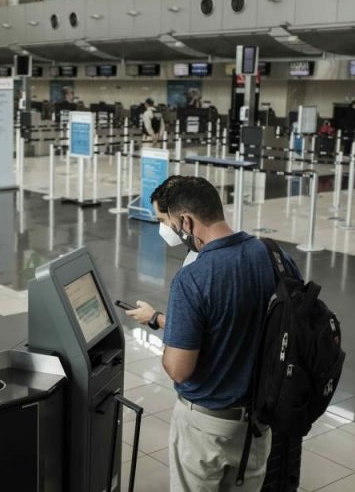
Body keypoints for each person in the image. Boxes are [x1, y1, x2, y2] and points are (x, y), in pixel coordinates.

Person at [130, 176, 300, 491]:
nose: (169, 231)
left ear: (185, 221)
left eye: (168, 223)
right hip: (259, 423)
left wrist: (167, 335)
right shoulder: (276, 257)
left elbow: (180, 369)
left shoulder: (193, 278)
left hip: (206, 425)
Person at [125, 176, 196, 329]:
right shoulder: (252, 250)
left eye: (161, 220)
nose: (162, 228)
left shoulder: (195, 271)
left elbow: (187, 330)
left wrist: (155, 318)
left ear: (184, 219)